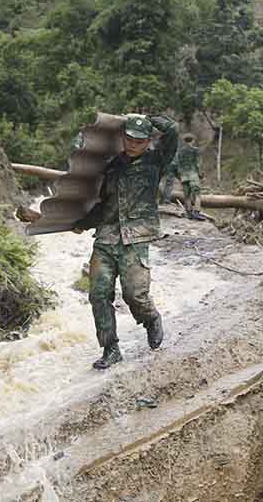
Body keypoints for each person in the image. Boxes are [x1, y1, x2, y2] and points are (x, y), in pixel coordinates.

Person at [71, 113, 178, 370]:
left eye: (139, 141)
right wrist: (82, 223)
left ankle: (150, 319)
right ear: (123, 138)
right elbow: (103, 204)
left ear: (148, 142)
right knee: (98, 294)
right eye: (129, 138)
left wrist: (144, 117)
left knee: (134, 294)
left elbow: (172, 130)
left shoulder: (156, 162)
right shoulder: (112, 166)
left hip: (136, 237)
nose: (133, 144)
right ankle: (110, 348)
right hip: (107, 237)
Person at [177, 133, 203, 219]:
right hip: (193, 175)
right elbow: (197, 163)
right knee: (197, 194)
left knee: (187, 195)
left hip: (184, 175)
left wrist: (179, 175)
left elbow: (178, 164)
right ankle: (197, 212)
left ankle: (189, 213)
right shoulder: (195, 150)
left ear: (184, 141)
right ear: (193, 140)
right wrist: (200, 173)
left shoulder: (180, 151)